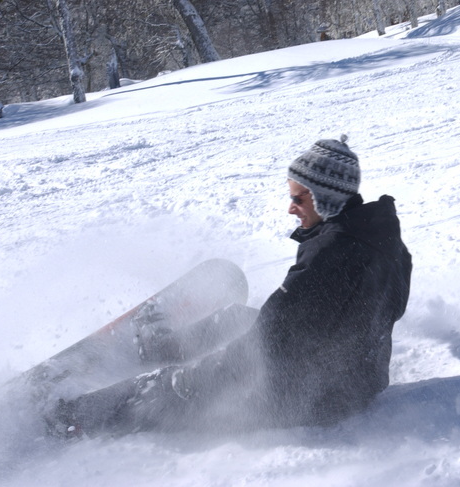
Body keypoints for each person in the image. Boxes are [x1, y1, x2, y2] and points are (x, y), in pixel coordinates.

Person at [47, 135, 412, 438]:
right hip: (358, 377)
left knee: (168, 387)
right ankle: (161, 345)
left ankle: (75, 419)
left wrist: (191, 382)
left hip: (312, 398)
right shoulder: (379, 236)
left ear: (326, 198)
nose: (290, 208)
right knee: (237, 318)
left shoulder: (329, 257)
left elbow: (266, 345)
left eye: (298, 198)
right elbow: (381, 309)